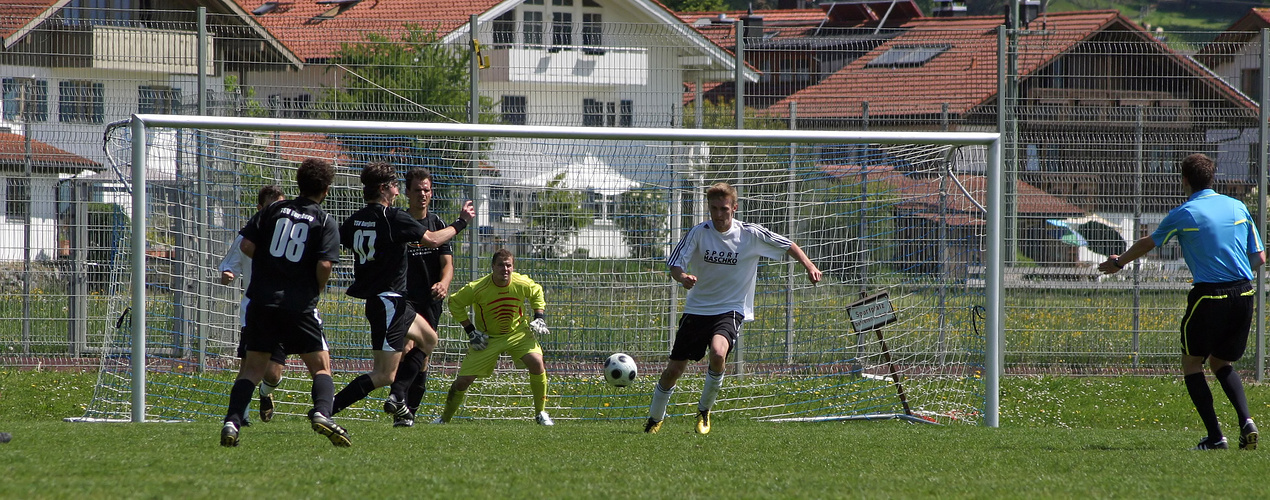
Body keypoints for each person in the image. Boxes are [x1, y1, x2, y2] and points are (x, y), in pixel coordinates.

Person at [1098, 153, 1264, 451]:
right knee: (1221, 361)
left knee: (1192, 363)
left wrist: (1119, 262)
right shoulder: (1238, 206)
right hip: (1245, 293)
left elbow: (1149, 242)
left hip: (1210, 296)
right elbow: (1260, 257)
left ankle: (1216, 437)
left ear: (1184, 180)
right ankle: (1247, 422)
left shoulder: (1185, 213)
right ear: (1212, 178)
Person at [646, 182, 822, 435]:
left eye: (724, 209)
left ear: (734, 208)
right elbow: (675, 264)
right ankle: (654, 418)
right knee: (673, 370)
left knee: (718, 353)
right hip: (697, 309)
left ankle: (704, 411)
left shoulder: (750, 234)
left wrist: (809, 266)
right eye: (714, 209)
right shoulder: (698, 232)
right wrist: (682, 278)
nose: (718, 215)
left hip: (731, 308)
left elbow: (788, 245)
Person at [220, 158, 348, 447]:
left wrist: (271, 264)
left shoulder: (274, 209)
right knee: (321, 367)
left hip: (262, 301)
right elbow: (325, 265)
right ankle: (322, 413)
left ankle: (232, 421)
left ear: (298, 183)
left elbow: (247, 246)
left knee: (252, 370)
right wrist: (314, 285)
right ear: (326, 189)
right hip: (299, 304)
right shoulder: (326, 221)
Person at [329, 162, 452, 420]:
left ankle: (398, 398)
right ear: (385, 188)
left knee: (429, 339)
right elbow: (431, 239)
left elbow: (336, 241)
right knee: (384, 374)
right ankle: (327, 408)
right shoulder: (392, 217)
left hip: (391, 301)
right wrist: (461, 222)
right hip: (388, 301)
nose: (397, 191)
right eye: (395, 186)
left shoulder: (356, 219)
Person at [383, 167, 475, 427]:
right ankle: (398, 397)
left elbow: (447, 264)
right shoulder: (399, 222)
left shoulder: (436, 224)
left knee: (422, 360)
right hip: (404, 298)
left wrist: (444, 283)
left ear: (431, 193)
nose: (422, 194)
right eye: (417, 190)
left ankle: (407, 411)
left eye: (426, 190)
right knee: (407, 349)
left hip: (430, 300)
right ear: (408, 193)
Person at [435, 248, 554, 425]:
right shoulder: (477, 288)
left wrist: (539, 317)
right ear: (492, 267)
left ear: (513, 267)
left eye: (508, 266)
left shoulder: (521, 283)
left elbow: (536, 291)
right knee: (462, 382)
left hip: (518, 334)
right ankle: (444, 419)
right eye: (500, 265)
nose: (505, 269)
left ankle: (541, 413)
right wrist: (471, 331)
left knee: (537, 363)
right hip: (487, 339)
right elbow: (455, 303)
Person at [218, 185, 286, 425]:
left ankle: (265, 394)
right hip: (253, 310)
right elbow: (229, 265)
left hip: (282, 311)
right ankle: (240, 416)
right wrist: (227, 274)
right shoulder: (248, 236)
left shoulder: (289, 237)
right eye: (271, 207)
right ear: (260, 209)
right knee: (248, 364)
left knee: (273, 373)